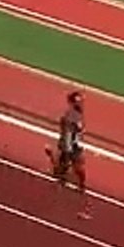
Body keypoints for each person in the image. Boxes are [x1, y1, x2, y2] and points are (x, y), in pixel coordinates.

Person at [45, 91, 91, 220]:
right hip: (69, 148)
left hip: (75, 147)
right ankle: (51, 155)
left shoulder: (77, 115)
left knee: (79, 172)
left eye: (81, 101)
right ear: (72, 103)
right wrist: (68, 149)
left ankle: (81, 192)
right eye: (78, 102)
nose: (81, 104)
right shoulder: (69, 117)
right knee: (61, 172)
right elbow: (67, 134)